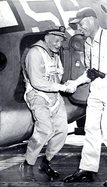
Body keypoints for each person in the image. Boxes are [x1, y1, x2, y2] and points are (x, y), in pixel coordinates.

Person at [63, 7, 107, 186]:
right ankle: (88, 168)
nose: (79, 28)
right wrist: (75, 82)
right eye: (77, 25)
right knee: (91, 130)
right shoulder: (87, 43)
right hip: (96, 89)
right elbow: (90, 72)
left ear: (91, 19)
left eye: (80, 23)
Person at [19, 26, 73, 181]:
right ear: (47, 36)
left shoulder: (54, 55)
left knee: (62, 131)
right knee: (44, 129)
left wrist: (68, 84)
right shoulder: (34, 53)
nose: (59, 44)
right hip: (38, 95)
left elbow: (59, 75)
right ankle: (28, 165)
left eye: (62, 40)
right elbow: (37, 82)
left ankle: (46, 162)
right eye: (56, 39)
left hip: (55, 96)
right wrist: (62, 87)